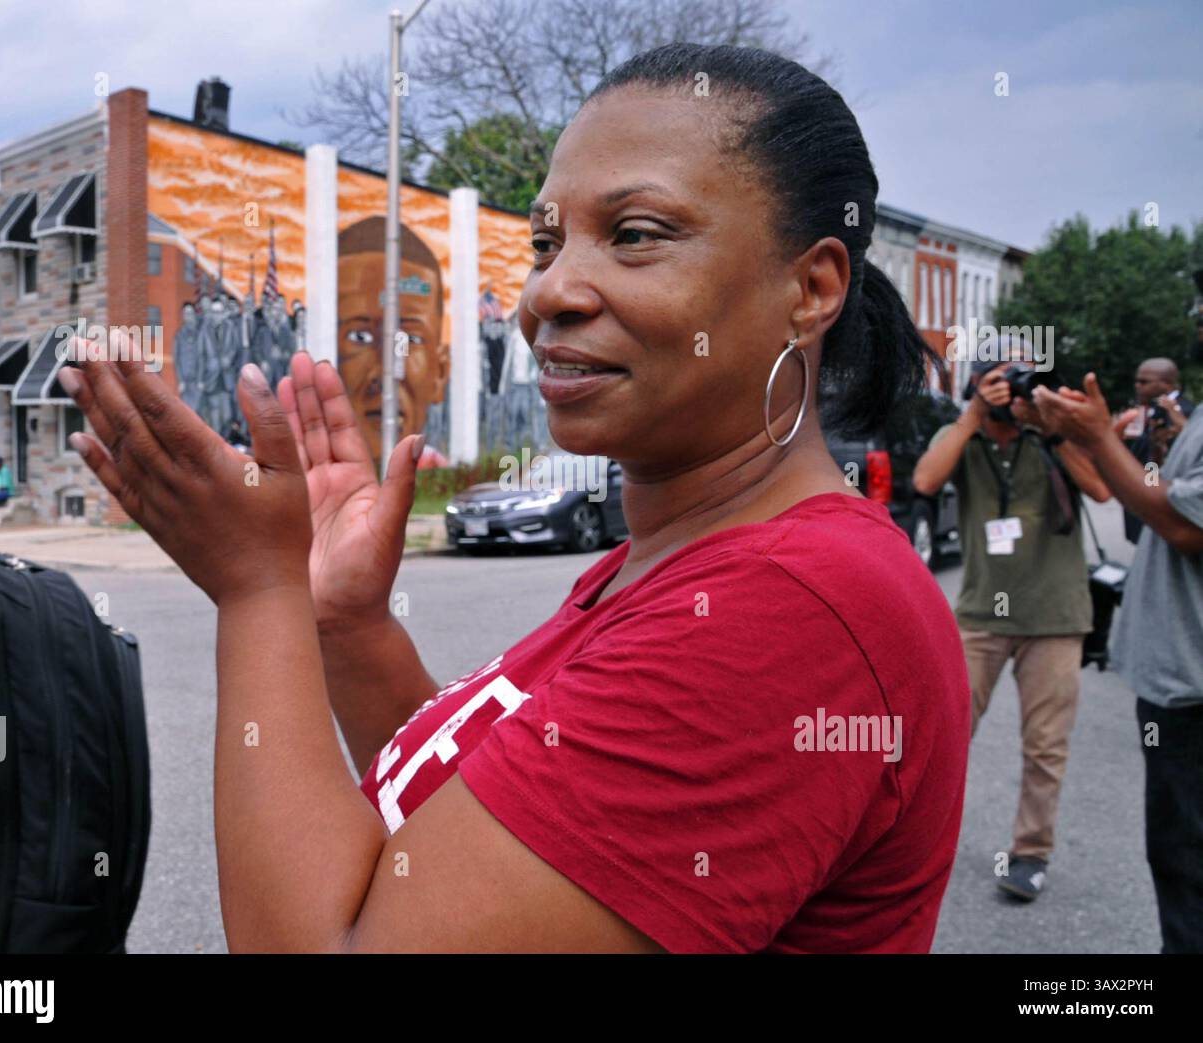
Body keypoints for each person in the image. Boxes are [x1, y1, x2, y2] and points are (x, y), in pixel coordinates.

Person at [58, 43, 971, 953]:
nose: (548, 292)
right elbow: (467, 827)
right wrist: (344, 623)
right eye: (546, 241)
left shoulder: (789, 609)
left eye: (636, 235)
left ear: (809, 289)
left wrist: (261, 593)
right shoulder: (675, 562)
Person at [913, 349, 1111, 901]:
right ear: (979, 385)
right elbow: (926, 482)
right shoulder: (966, 435)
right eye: (1004, 380)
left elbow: (1100, 489)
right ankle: (917, 846)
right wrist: (974, 413)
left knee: (1045, 747)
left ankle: (1030, 854)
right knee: (945, 738)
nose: (1017, 389)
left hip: (1055, 617)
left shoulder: (1051, 438)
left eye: (1025, 378)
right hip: (981, 614)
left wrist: (1051, 430)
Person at [1035, 374, 1203, 954]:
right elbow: (1166, 495)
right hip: (1180, 683)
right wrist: (1154, 451)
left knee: (1185, 862)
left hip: (1190, 689)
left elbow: (1183, 525)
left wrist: (1093, 437)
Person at [336, 216, 449, 471]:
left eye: (410, 338)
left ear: (440, 374)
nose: (384, 375)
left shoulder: (436, 468)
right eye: (359, 337)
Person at [1114, 358, 1194, 543]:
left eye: (1144, 381)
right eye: (1136, 381)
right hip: (1148, 481)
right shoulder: (1151, 409)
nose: (1137, 386)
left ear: (1166, 384)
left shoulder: (1185, 412)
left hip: (1168, 494)